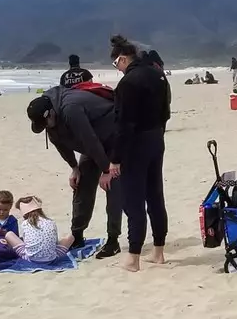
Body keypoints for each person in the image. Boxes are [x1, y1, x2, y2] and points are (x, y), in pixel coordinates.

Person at [27, 81, 124, 256]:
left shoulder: (71, 110)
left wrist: (106, 170)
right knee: (82, 186)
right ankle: (77, 235)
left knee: (112, 186)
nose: (45, 128)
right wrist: (74, 168)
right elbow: (60, 143)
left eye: (45, 123)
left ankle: (113, 240)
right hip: (92, 144)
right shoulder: (49, 116)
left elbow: (90, 140)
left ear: (50, 114)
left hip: (111, 137)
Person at [108, 34, 170, 272]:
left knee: (134, 199)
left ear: (123, 59)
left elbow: (124, 125)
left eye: (116, 64)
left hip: (136, 144)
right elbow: (166, 111)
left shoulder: (128, 83)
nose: (117, 69)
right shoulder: (158, 74)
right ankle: (159, 251)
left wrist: (115, 158)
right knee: (156, 194)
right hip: (156, 138)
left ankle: (134, 257)